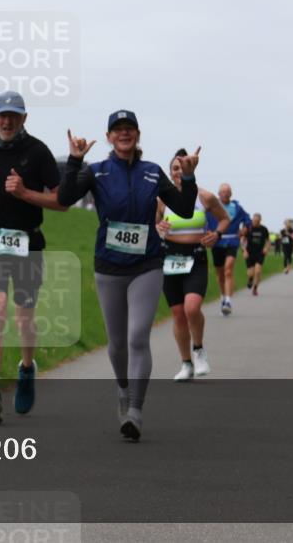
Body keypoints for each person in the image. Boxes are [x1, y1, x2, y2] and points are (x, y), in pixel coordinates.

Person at [58, 110, 199, 441]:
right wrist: (76, 161)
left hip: (146, 265)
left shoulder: (152, 173)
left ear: (137, 134)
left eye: (129, 129)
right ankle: (123, 388)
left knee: (137, 337)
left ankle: (135, 409)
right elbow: (65, 198)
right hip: (108, 266)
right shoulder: (98, 171)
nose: (124, 134)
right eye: (117, 130)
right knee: (117, 343)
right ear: (108, 137)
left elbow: (184, 209)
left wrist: (189, 178)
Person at [0, 91, 65, 422]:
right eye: (2, 115)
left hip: (28, 242)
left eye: (14, 115)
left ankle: (27, 369)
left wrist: (25, 193)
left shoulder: (38, 152)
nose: (7, 121)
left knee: (24, 317)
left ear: (24, 118)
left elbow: (62, 201)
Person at [154, 150, 229, 382]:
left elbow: (225, 218)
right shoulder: (161, 199)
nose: (178, 172)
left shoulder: (204, 197)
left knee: (192, 308)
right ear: (170, 172)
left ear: (190, 169)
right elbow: (152, 224)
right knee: (177, 314)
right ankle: (186, 364)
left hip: (196, 256)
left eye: (182, 167)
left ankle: (199, 350)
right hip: (170, 258)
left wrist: (216, 234)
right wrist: (158, 228)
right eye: (175, 168)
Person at [205, 183, 252, 316]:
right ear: (218, 194)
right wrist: (207, 233)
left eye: (227, 192)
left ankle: (228, 301)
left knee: (228, 269)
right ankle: (223, 295)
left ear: (231, 194)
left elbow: (247, 220)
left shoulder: (237, 207)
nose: (225, 194)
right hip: (217, 241)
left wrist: (244, 229)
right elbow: (204, 221)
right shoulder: (212, 207)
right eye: (222, 192)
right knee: (220, 273)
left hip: (232, 240)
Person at [243, 213, 270, 296]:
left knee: (258, 271)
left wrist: (266, 248)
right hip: (249, 253)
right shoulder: (248, 228)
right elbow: (243, 240)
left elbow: (268, 241)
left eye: (257, 221)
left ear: (260, 221)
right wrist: (244, 250)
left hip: (260, 253)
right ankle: (250, 279)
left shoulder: (264, 229)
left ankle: (255, 288)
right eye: (254, 220)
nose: (255, 222)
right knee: (250, 273)